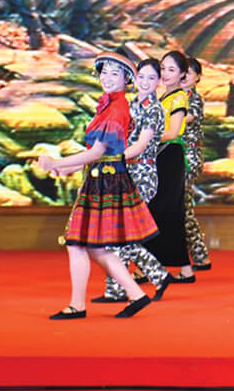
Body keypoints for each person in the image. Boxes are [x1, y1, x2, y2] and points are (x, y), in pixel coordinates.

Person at [37, 52, 155, 319]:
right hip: (102, 176)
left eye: (115, 74)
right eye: (104, 72)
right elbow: (99, 153)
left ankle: (78, 305)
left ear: (126, 79)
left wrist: (57, 162)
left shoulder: (115, 108)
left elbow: (98, 151)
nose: (107, 78)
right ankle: (135, 294)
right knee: (92, 246)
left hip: (105, 180)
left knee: (78, 243)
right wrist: (68, 167)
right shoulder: (111, 105)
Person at [98, 58, 171, 304]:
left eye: (152, 78)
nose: (145, 82)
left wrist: (113, 159)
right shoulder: (130, 104)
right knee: (116, 232)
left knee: (121, 233)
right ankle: (120, 288)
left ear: (159, 81)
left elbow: (140, 145)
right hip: (124, 171)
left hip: (142, 173)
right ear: (134, 78)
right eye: (142, 77)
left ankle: (154, 275)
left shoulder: (154, 109)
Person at [139, 51, 196, 287]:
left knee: (164, 211)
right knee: (165, 212)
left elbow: (173, 132)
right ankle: (181, 269)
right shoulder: (164, 96)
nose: (165, 73)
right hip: (161, 156)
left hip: (169, 156)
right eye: (163, 68)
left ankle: (152, 267)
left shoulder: (179, 98)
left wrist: (143, 139)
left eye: (171, 70)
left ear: (182, 74)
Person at [182, 57, 212, 270]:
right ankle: (199, 255)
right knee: (182, 208)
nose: (184, 77)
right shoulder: (173, 97)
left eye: (189, 73)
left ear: (198, 77)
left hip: (188, 156)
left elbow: (187, 118)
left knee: (181, 207)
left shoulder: (194, 98)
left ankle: (198, 256)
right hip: (174, 156)